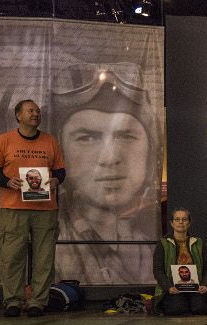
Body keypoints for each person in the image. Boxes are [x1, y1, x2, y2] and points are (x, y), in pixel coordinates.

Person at [52, 62, 162, 284]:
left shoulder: (154, 236)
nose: (110, 158)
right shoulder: (53, 239)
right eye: (87, 138)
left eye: (125, 136)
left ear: (151, 151)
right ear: (62, 151)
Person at [0, 99, 65, 317]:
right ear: (18, 116)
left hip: (45, 209)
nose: (36, 114)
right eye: (31, 111)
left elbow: (60, 172)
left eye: (38, 111)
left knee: (44, 258)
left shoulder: (50, 142)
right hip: (13, 208)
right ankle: (13, 301)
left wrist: (56, 181)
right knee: (12, 257)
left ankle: (38, 302)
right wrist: (6, 181)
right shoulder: (4, 141)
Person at [152, 208, 207, 316]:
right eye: (177, 219)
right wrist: (168, 287)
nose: (181, 222)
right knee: (177, 309)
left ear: (189, 223)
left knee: (201, 308)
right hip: (172, 287)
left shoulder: (199, 242)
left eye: (184, 219)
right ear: (172, 223)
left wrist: (205, 284)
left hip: (195, 287)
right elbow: (157, 270)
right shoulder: (163, 243)